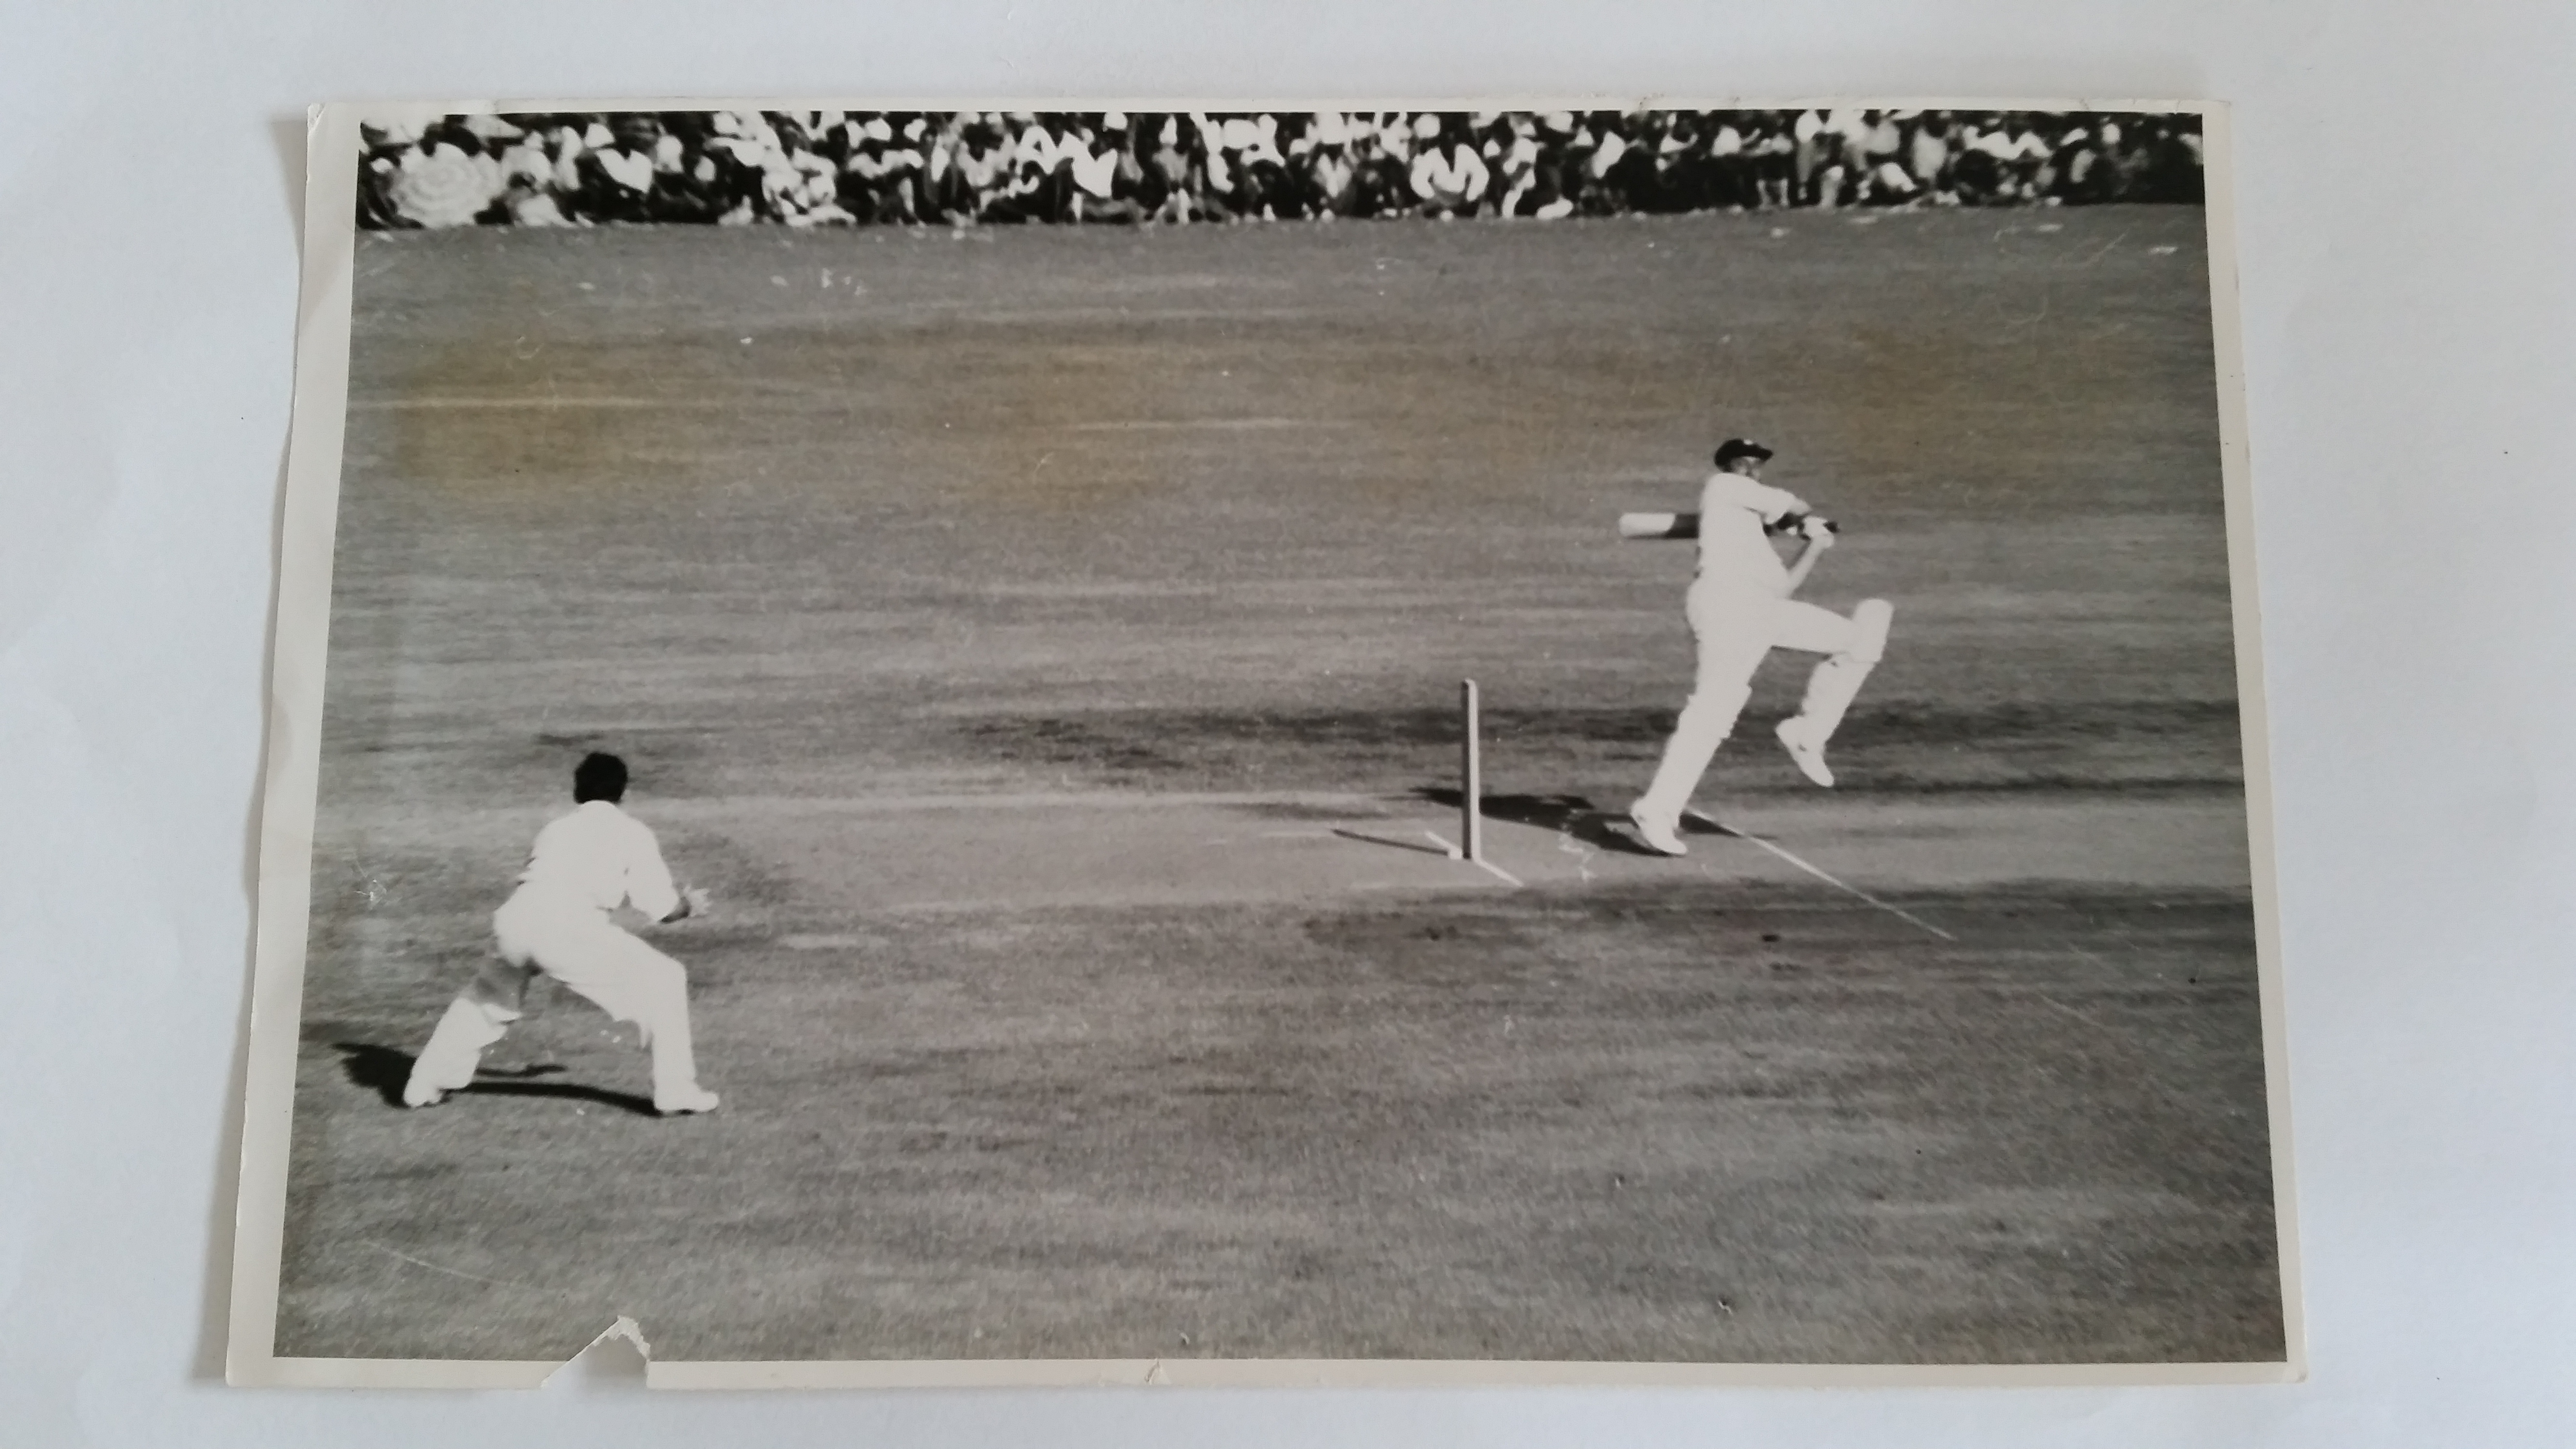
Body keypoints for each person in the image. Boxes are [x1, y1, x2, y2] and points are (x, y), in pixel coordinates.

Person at [402, 753, 721, 1115]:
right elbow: (663, 909)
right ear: (623, 793)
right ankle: (677, 1091)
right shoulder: (633, 832)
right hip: (568, 930)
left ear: (577, 791)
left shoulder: (554, 829)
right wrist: (690, 905)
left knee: (484, 1001)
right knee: (667, 978)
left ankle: (424, 1083)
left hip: (513, 923)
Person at [1628, 439, 1895, 856]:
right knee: (1715, 710)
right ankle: (1657, 810)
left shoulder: (1750, 533)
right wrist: (1808, 520)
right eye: (1743, 462)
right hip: (1724, 605)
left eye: (1757, 464)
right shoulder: (1723, 488)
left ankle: (1807, 734)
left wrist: (1813, 544)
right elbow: (1799, 504)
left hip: (1763, 609)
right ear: (1729, 465)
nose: (1750, 469)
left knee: (1860, 640)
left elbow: (1784, 589)